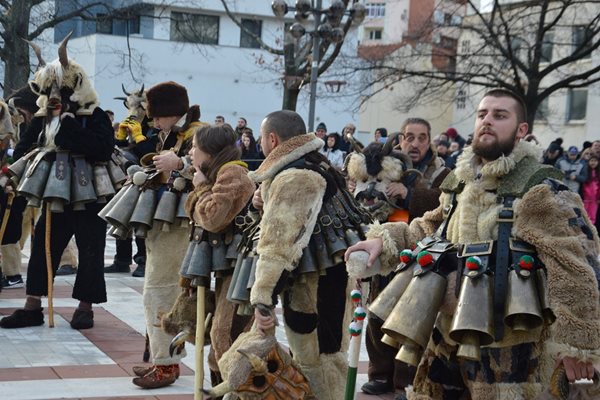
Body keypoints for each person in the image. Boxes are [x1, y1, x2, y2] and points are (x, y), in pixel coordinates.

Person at [345, 88, 599, 399]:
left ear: (522, 131)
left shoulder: (541, 188)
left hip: (509, 352)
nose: (488, 121)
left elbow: (577, 266)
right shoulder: (461, 182)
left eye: (500, 115)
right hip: (445, 339)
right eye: (482, 115)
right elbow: (430, 227)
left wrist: (577, 348)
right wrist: (382, 241)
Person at [0, 34, 114, 330]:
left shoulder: (95, 116)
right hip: (54, 191)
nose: (55, 97)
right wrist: (12, 174)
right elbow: (25, 147)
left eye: (60, 90)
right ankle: (32, 306)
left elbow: (103, 148)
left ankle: (85, 306)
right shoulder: (43, 117)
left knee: (91, 248)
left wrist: (69, 128)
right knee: (42, 246)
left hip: (90, 195)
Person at [250, 110, 366, 400]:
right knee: (326, 357)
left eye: (262, 137)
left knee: (318, 362)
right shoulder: (318, 162)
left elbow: (279, 244)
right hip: (332, 279)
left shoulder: (295, 176)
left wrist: (262, 297)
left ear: (272, 139)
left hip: (317, 288)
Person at [357, 118, 449, 400]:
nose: (415, 143)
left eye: (422, 138)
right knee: (377, 312)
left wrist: (410, 194)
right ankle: (380, 374)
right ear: (401, 140)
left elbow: (444, 203)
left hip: (425, 255)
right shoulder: (388, 166)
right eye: (409, 137)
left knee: (412, 316)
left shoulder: (442, 172)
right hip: (388, 249)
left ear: (430, 140)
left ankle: (406, 381)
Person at [127, 81, 202, 389]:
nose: (152, 121)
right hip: (164, 222)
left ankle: (166, 365)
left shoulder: (200, 132)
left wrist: (181, 163)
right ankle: (163, 358)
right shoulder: (168, 133)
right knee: (159, 290)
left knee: (159, 290)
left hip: (181, 226)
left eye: (156, 116)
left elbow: (222, 167)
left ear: (172, 113)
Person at [181, 123, 255, 386]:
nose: (191, 152)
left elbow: (212, 219)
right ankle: (223, 386)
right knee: (221, 334)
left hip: (244, 267)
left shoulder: (233, 174)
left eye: (195, 147)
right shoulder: (220, 173)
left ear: (209, 152)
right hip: (230, 264)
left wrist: (201, 188)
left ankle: (238, 388)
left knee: (226, 333)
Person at [582, 155, 600, 224]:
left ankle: (591, 232)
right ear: (588, 162)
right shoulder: (586, 171)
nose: (593, 163)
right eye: (591, 161)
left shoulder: (598, 173)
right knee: (584, 215)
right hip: (585, 198)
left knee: (592, 216)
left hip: (595, 199)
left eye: (595, 161)